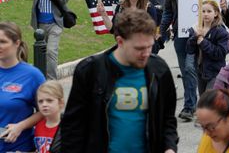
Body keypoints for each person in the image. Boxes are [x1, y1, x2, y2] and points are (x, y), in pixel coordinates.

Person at [60, 9, 178, 152]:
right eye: (139, 48)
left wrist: (170, 147)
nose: (146, 53)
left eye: (149, 46)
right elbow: (73, 127)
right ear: (120, 41)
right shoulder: (90, 71)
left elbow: (168, 120)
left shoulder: (159, 69)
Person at [160, 0, 199, 121]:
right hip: (181, 35)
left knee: (198, 70)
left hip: (199, 34)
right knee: (186, 70)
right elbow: (168, 10)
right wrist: (161, 29)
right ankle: (189, 106)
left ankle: (204, 104)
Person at [21, 0, 69, 79]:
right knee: (41, 53)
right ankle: (40, 79)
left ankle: (51, 82)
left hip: (55, 23)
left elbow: (64, 0)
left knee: (51, 52)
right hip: (40, 25)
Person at [0, 22, 45, 153]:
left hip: (17, 148)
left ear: (17, 43)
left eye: (3, 42)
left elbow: (46, 110)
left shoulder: (33, 75)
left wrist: (20, 126)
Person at [186, 0, 229, 95]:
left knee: (209, 100)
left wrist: (203, 41)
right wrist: (195, 37)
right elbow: (189, 49)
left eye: (209, 11)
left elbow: (220, 53)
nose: (205, 14)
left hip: (215, 73)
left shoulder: (220, 31)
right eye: (203, 11)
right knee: (203, 98)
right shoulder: (196, 29)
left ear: (216, 13)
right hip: (201, 72)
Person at [34, 80, 64, 153]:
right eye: (40, 101)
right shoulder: (38, 126)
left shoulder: (67, 128)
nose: (44, 104)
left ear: (61, 103)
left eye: (49, 100)